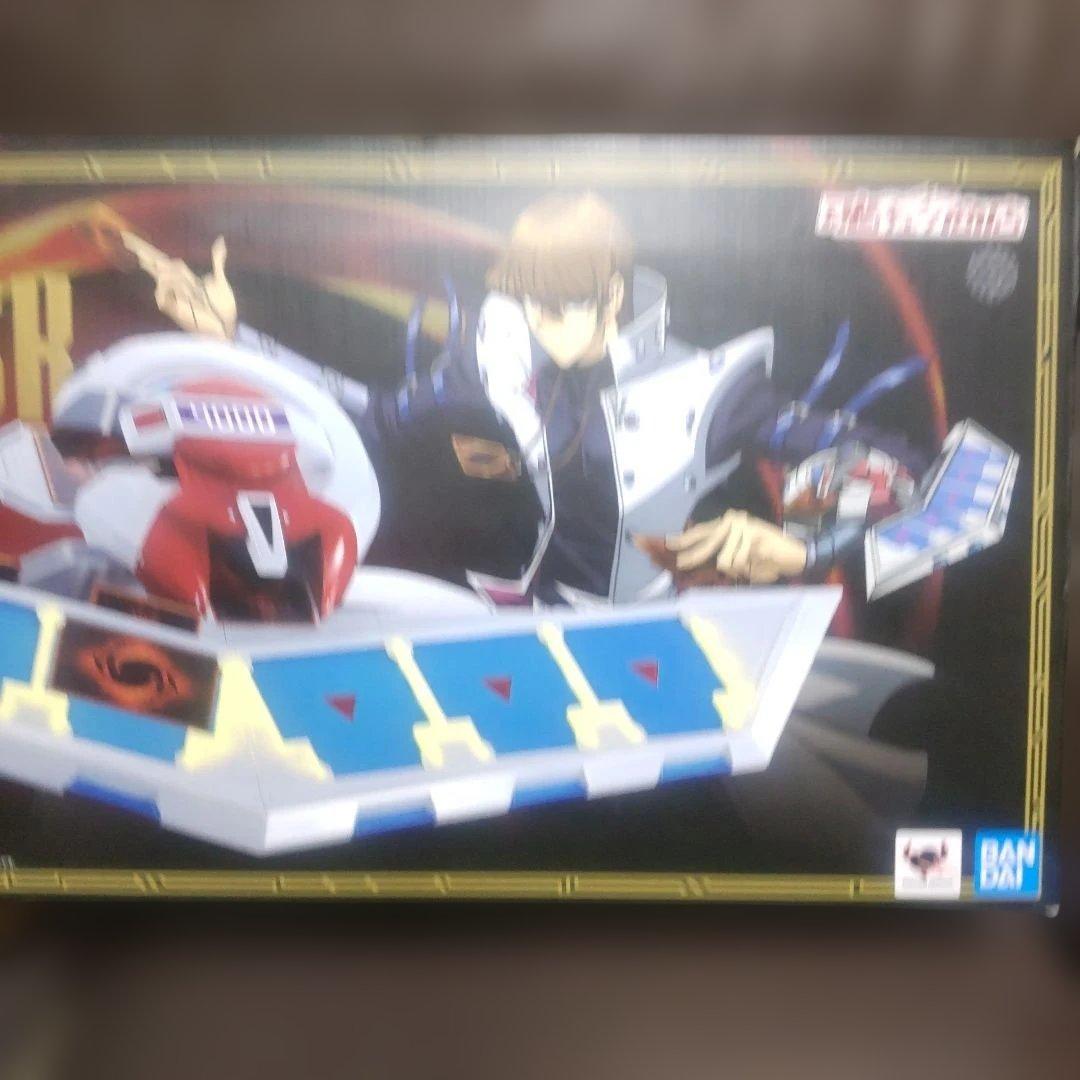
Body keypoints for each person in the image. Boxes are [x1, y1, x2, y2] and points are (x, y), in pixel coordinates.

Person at [120, 194, 938, 608]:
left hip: (643, 636)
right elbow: (371, 418)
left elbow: (911, 472)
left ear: (612, 296)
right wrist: (235, 339)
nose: (539, 324)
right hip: (514, 621)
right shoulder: (496, 359)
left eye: (560, 305)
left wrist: (802, 545)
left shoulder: (705, 387)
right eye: (527, 302)